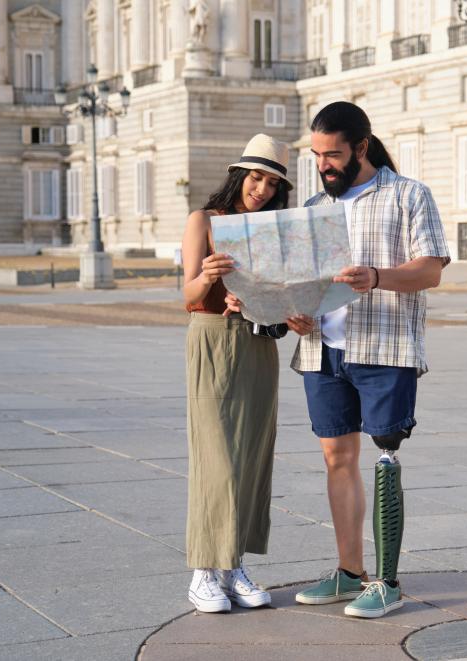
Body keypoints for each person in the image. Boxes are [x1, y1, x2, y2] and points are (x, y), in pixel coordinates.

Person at [291, 102, 450, 618]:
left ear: (361, 147)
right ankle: (348, 572)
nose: (324, 165)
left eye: (332, 155)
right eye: (317, 155)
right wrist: (293, 312)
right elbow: (303, 278)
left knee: (385, 458)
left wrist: (378, 277)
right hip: (322, 348)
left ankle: (388, 582)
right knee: (336, 460)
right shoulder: (315, 205)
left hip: (384, 347)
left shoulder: (409, 195)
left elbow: (429, 271)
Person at [181, 133, 313, 613]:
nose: (261, 189)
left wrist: (294, 315)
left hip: (259, 343)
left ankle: (232, 566)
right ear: (241, 175)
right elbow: (189, 295)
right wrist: (212, 275)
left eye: (272, 183)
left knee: (252, 458)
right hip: (213, 338)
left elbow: (282, 298)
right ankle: (203, 571)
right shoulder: (205, 221)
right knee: (216, 457)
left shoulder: (274, 231)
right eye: (256, 177)